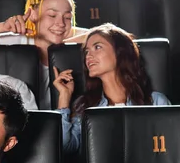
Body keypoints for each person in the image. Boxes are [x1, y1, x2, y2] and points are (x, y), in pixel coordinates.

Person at [54, 23, 172, 153]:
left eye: (97, 47)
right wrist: (64, 97)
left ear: (119, 52)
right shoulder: (84, 106)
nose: (88, 56)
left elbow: (169, 152)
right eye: (86, 51)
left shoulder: (157, 102)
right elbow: (65, 146)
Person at [0, 0, 89, 110]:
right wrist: (2, 26)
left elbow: (117, 35)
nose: (60, 23)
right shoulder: (17, 40)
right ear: (32, 14)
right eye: (52, 15)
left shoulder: (75, 42)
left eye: (67, 17)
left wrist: (82, 34)